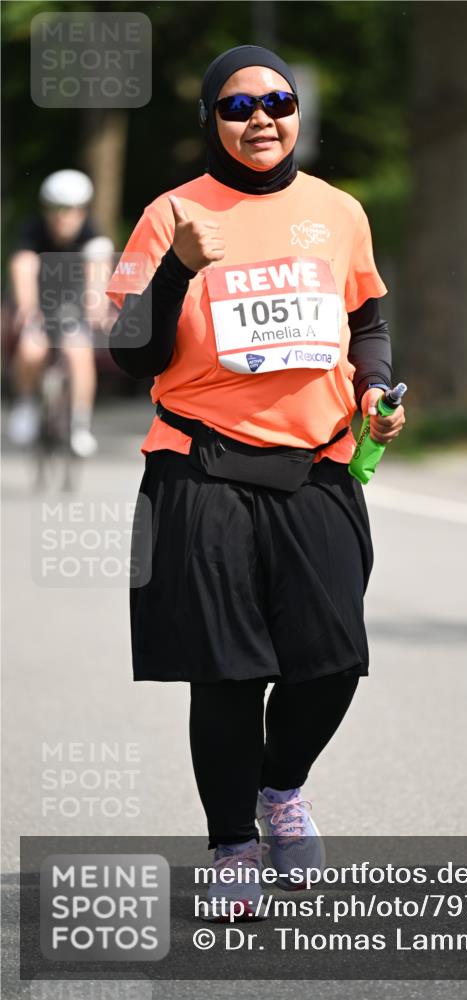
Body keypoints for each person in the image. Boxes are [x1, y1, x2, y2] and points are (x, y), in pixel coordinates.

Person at [106, 45, 405, 920]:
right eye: (237, 108)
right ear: (211, 121)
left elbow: (368, 322)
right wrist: (176, 268)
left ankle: (281, 790)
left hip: (315, 467)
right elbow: (130, 354)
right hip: (200, 466)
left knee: (333, 659)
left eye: (277, 101)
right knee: (228, 675)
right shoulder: (170, 213)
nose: (261, 119)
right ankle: (232, 840)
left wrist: (377, 390)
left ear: (296, 112)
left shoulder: (338, 212)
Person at [7, 169, 114, 458]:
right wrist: (27, 308)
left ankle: (80, 424)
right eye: (55, 209)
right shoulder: (33, 229)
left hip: (73, 305)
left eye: (71, 210)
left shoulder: (93, 234)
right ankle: (26, 405)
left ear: (83, 211)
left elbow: (98, 272)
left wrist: (97, 307)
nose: (62, 216)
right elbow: (23, 267)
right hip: (41, 303)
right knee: (31, 349)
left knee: (79, 353)